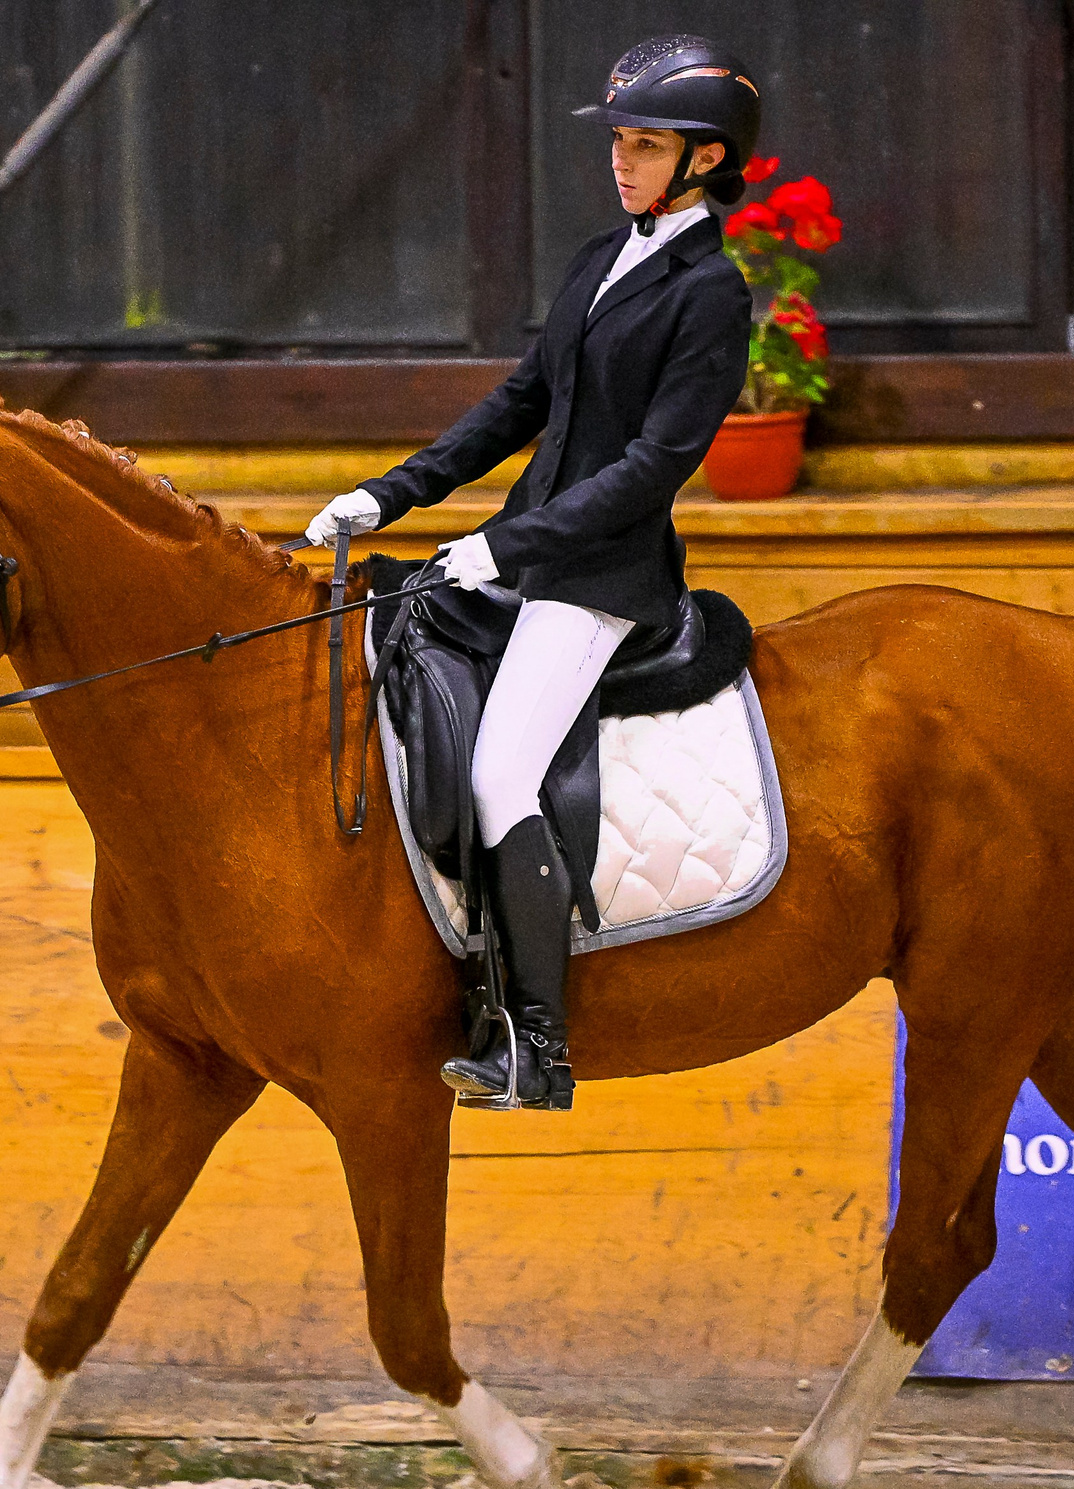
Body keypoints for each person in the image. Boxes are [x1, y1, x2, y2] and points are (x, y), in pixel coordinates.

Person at [307, 34, 758, 1110]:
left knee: (503, 772)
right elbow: (520, 403)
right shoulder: (602, 258)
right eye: (618, 141)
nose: (622, 159)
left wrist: (512, 545)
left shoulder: (713, 293)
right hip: (527, 552)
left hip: (601, 578)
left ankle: (536, 1043)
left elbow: (656, 464)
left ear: (704, 161)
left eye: (645, 145)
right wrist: (392, 493)